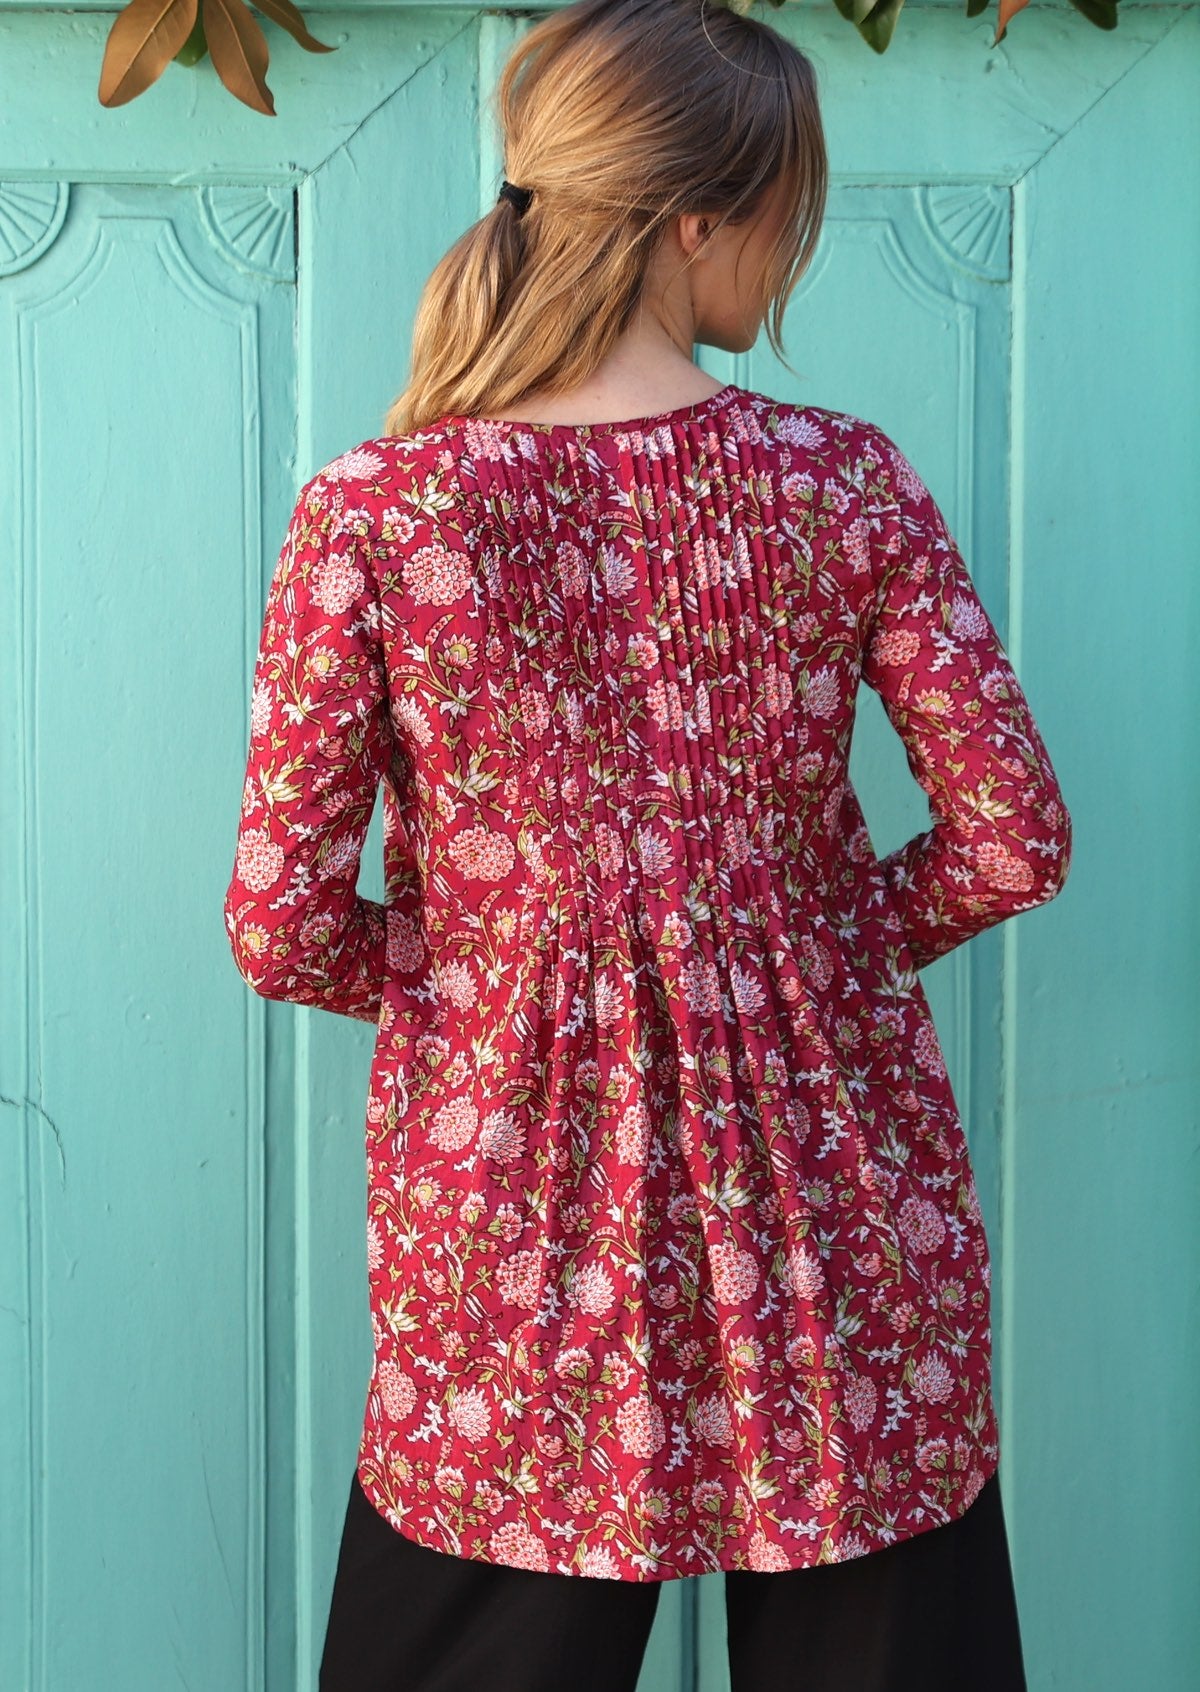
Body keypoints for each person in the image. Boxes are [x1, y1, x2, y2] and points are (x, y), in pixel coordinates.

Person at [223, 0, 1071, 1686]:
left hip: (511, 1205)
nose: (794, 250)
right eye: (787, 209)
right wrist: (801, 958)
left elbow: (280, 922)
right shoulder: (841, 482)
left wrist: (492, 985)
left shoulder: (380, 511)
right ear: (694, 218)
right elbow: (1012, 838)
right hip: (833, 1194)